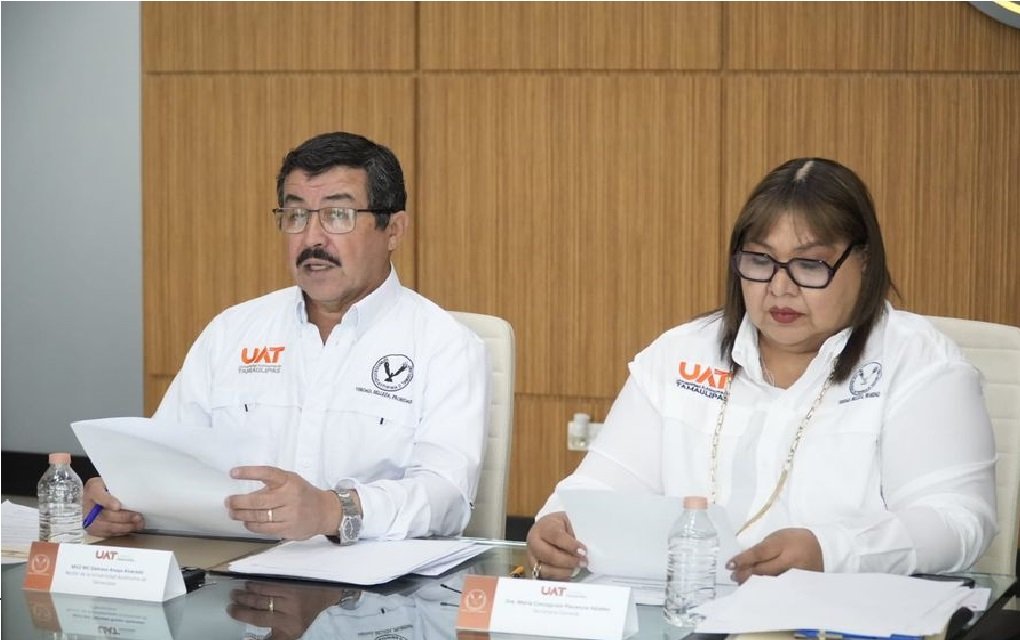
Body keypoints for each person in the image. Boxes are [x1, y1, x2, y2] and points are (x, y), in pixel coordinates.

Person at [526, 157, 997, 583]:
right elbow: (602, 485)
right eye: (760, 260)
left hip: (838, 618)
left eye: (810, 265)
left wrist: (832, 551)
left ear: (865, 262)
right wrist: (558, 524)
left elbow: (957, 520)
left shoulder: (920, 364)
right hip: (686, 610)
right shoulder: (679, 355)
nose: (780, 287)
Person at [84, 131, 488, 542]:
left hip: (374, 577)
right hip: (233, 568)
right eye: (296, 216)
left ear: (394, 230)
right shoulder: (231, 331)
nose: (311, 239)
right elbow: (164, 462)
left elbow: (447, 498)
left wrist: (334, 510)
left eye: (338, 215)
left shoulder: (445, 345)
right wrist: (119, 499)